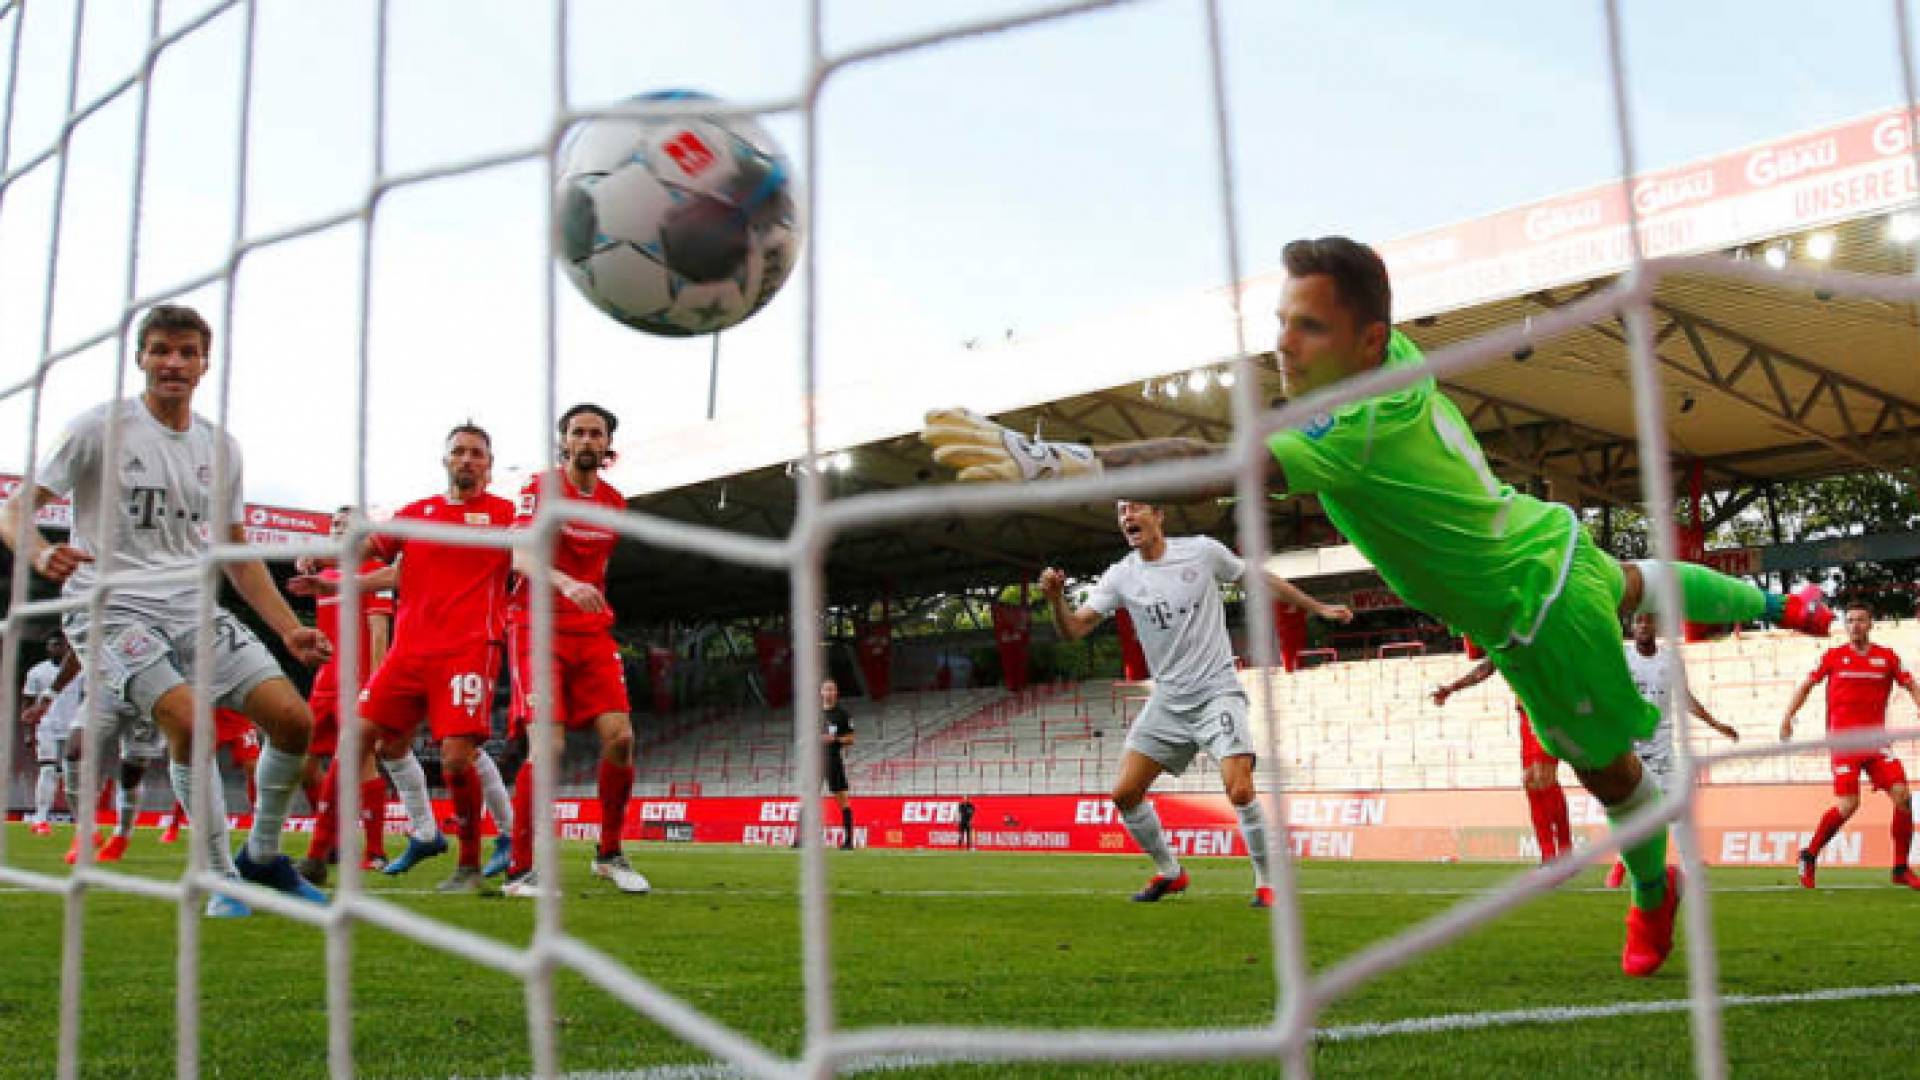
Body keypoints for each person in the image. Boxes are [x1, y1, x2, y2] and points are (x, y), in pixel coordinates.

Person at [922, 236, 1833, 975]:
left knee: (1606, 771)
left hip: (1534, 610)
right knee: (1633, 579)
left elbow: (1210, 473)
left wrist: (1070, 463)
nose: (1284, 342)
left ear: (1363, 343)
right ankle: (1778, 602)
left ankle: (1649, 891)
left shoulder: (1344, 428)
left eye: (1308, 328)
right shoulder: (1390, 358)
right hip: (1538, 540)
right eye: (1284, 321)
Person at [0, 304, 331, 913]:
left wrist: (289, 628)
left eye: (186, 352)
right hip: (110, 606)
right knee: (187, 720)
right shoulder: (96, 429)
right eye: (160, 350)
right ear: (140, 358)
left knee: (293, 720)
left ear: (205, 363)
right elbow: (15, 510)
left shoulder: (220, 448)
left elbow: (235, 551)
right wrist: (43, 555)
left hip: (188, 606)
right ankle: (215, 874)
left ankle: (260, 859)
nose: (173, 362)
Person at [1039, 499, 1352, 907]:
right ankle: (1171, 873)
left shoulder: (1202, 551)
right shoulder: (1121, 576)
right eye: (1120, 513)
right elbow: (1074, 629)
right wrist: (1055, 599)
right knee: (1124, 795)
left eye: (1135, 509)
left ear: (1159, 516)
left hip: (1216, 690)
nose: (1127, 518)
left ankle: (1267, 883)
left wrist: (1317, 606)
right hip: (1168, 700)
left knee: (1239, 790)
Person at [297, 422, 516, 893]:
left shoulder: (504, 515)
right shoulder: (417, 514)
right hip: (408, 652)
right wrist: (329, 565)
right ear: (445, 460)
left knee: (458, 758)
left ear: (490, 466)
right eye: (458, 451)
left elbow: (530, 558)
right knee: (357, 739)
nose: (467, 460)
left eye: (477, 453)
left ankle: (471, 864)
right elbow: (386, 562)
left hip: (468, 650)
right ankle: (316, 856)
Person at [501, 403, 648, 898]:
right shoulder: (538, 490)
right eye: (578, 433)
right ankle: (521, 870)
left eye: (596, 434)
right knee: (550, 745)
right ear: (563, 441)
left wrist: (587, 598)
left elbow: (597, 567)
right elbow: (520, 556)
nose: (587, 441)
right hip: (536, 626)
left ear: (608, 446)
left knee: (621, 738)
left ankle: (609, 854)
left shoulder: (614, 503)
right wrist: (564, 583)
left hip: (589, 631)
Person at [1780, 603, 1920, 890]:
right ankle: (1809, 855)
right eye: (1850, 621)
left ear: (1871, 624)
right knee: (1848, 805)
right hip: (1844, 743)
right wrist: (1788, 717)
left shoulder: (1887, 658)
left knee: (1903, 798)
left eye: (1861, 620)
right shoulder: (1833, 657)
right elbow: (1806, 685)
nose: (1855, 625)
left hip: (1877, 742)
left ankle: (1900, 868)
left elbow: (1911, 685)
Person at [289, 506, 396, 881]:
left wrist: (375, 686)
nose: (337, 529)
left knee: (362, 762)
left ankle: (376, 850)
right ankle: (333, 839)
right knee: (304, 761)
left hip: (357, 682)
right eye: (333, 524)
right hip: (324, 682)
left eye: (346, 524)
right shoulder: (326, 575)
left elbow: (380, 633)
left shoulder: (373, 574)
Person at [1432, 656, 1573, 864]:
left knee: (1543, 776)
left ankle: (1564, 852)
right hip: (1527, 715)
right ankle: (1549, 856)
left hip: (1550, 713)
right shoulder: (1503, 642)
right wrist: (1452, 688)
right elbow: (1484, 669)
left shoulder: (1537, 635)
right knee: (1530, 782)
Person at [22, 633, 70, 834]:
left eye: (60, 645)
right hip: (47, 726)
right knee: (48, 770)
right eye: (53, 645)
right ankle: (41, 819)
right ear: (48, 648)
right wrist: (27, 731)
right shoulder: (37, 672)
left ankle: (84, 821)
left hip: (73, 727)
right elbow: (27, 701)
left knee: (72, 774)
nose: (57, 648)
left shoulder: (81, 670)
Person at [819, 678, 857, 850]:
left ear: (836, 692)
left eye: (831, 689)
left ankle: (848, 840)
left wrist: (834, 739)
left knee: (842, 798)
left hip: (833, 759)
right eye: (825, 689)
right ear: (821, 692)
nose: (828, 692)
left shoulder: (842, 714)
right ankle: (800, 837)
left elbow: (850, 739)